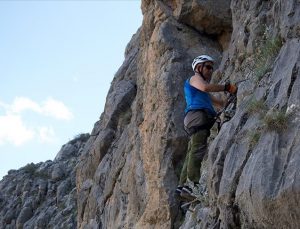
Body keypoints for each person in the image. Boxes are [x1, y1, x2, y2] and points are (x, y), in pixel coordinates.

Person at [176, 55, 237, 196]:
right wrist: (227, 87)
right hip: (198, 117)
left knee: (192, 149)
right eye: (208, 67)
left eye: (212, 68)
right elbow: (205, 87)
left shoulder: (199, 91)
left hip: (195, 118)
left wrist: (228, 100)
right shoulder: (195, 79)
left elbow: (218, 103)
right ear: (199, 68)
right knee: (197, 149)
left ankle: (182, 186)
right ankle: (192, 185)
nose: (211, 70)